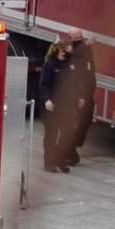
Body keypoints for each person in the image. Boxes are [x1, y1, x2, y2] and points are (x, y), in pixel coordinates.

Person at [39, 38, 79, 172]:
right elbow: (44, 85)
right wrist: (47, 100)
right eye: (69, 49)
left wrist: (79, 97)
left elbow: (75, 83)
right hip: (52, 106)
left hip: (66, 105)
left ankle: (60, 159)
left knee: (67, 133)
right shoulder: (50, 65)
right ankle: (49, 163)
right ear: (61, 50)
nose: (71, 51)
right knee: (51, 134)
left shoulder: (71, 64)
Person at [66, 27, 97, 166]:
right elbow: (74, 54)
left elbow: (90, 67)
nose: (79, 40)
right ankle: (68, 152)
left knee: (85, 121)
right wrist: (85, 45)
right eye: (77, 38)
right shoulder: (71, 48)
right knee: (73, 124)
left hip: (87, 92)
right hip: (76, 93)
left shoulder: (85, 47)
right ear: (70, 38)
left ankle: (71, 149)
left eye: (81, 37)